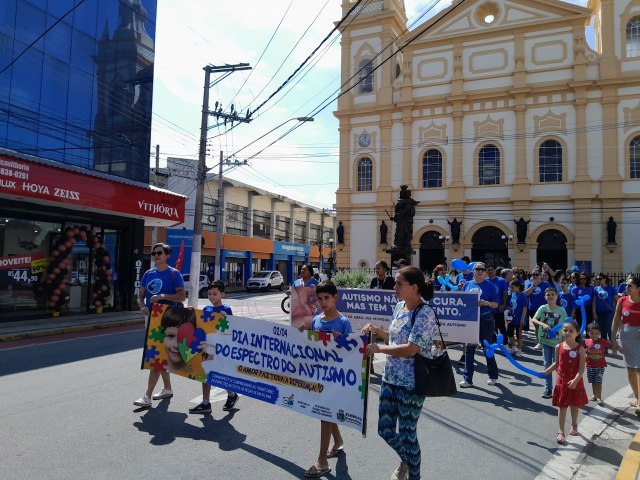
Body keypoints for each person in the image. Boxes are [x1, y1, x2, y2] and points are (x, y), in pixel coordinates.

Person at [362, 266, 437, 480]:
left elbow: (411, 349)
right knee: (384, 430)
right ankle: (408, 460)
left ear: (414, 287)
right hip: (390, 378)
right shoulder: (398, 306)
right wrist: (377, 331)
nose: (394, 287)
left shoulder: (425, 313)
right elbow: (394, 338)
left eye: (399, 283)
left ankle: (414, 475)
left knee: (407, 434)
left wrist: (378, 349)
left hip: (412, 384)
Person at [299, 281, 352, 478]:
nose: (322, 302)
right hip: (320, 374)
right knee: (327, 412)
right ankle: (337, 443)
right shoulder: (316, 320)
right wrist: (303, 334)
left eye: (326, 298)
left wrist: (341, 339)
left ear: (335, 298)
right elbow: (312, 347)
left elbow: (352, 352)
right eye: (319, 298)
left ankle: (322, 460)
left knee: (325, 413)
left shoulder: (343, 322)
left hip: (337, 377)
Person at [134, 243, 186, 408]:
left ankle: (147, 396)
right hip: (153, 319)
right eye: (153, 253)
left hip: (170, 319)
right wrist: (142, 306)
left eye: (159, 253)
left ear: (167, 255)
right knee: (161, 356)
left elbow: (181, 296)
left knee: (157, 357)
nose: (155, 256)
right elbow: (140, 295)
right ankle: (167, 388)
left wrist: (162, 296)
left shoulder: (174, 274)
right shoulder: (148, 274)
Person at [189, 281, 239, 414]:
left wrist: (226, 318)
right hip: (207, 347)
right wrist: (190, 313)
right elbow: (200, 324)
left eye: (215, 294)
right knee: (205, 374)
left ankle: (232, 394)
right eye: (210, 294)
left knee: (220, 374)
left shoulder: (226, 309)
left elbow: (232, 329)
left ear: (222, 294)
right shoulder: (206, 309)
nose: (211, 296)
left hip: (221, 348)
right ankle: (206, 403)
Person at [542, 320, 588, 444]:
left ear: (577, 333)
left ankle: (574, 425)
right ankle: (561, 431)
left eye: (571, 331)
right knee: (562, 406)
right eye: (565, 330)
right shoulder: (559, 346)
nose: (567, 332)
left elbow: (581, 369)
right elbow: (556, 364)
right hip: (561, 382)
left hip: (575, 383)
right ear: (562, 332)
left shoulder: (580, 349)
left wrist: (575, 380)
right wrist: (547, 371)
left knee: (574, 405)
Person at [460, 262, 500, 388]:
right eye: (478, 269)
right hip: (471, 319)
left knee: (486, 347)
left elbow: (496, 304)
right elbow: (461, 300)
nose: (481, 271)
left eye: (483, 269)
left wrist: (485, 303)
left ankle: (493, 375)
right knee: (469, 348)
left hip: (485, 318)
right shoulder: (467, 284)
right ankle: (467, 379)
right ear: (473, 270)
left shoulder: (490, 285)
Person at [531, 288, 567, 399]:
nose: (550, 296)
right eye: (548, 295)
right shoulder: (542, 308)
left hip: (558, 343)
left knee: (558, 365)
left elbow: (566, 325)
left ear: (557, 296)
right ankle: (548, 389)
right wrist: (543, 324)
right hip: (545, 341)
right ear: (545, 297)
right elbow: (534, 319)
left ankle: (560, 387)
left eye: (552, 294)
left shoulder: (561, 310)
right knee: (547, 364)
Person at [611, 276, 640, 415]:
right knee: (631, 371)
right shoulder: (622, 300)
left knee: (639, 369)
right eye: (626, 285)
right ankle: (637, 396)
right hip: (626, 339)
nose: (626, 288)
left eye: (630, 286)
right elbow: (616, 320)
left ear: (638, 288)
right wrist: (613, 339)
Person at [159, 307, 197, 373]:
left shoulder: (198, 372)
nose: (176, 345)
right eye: (170, 336)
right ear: (162, 335)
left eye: (183, 338)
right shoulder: (158, 364)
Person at [584, 322, 611, 406]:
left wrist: (618, 348)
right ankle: (595, 395)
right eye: (592, 333)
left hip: (600, 366)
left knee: (598, 381)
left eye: (596, 333)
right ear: (588, 333)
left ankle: (599, 397)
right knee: (593, 381)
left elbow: (611, 345)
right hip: (590, 365)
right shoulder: (585, 342)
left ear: (600, 333)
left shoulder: (602, 341)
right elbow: (581, 350)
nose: (594, 335)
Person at [524, 269, 551, 348]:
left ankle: (545, 341)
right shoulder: (529, 284)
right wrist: (533, 286)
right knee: (537, 326)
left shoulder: (545, 284)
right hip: (533, 308)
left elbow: (551, 293)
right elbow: (526, 294)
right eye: (533, 274)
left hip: (544, 308)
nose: (535, 276)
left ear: (540, 276)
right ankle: (539, 342)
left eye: (536, 274)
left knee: (545, 325)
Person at [487, 264, 509, 344]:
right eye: (488, 270)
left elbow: (505, 293)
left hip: (499, 308)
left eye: (491, 269)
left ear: (495, 271)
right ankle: (492, 341)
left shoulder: (501, 281)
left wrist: (504, 304)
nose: (490, 271)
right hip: (488, 308)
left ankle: (505, 342)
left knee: (501, 326)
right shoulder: (485, 281)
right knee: (489, 327)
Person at [594, 274, 618, 341]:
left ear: (605, 279)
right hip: (599, 312)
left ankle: (613, 344)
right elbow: (594, 302)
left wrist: (617, 310)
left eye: (600, 279)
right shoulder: (596, 289)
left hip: (609, 311)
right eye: (597, 279)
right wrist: (594, 312)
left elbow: (617, 300)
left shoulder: (611, 288)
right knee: (602, 329)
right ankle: (604, 347)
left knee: (610, 328)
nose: (598, 280)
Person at [507, 280, 527, 357]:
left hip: (519, 318)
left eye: (513, 287)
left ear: (518, 287)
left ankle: (519, 350)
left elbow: (524, 308)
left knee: (519, 335)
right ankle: (513, 347)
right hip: (512, 318)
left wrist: (522, 319)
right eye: (510, 287)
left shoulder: (523, 295)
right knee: (510, 333)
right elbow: (512, 305)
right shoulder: (513, 294)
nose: (511, 289)